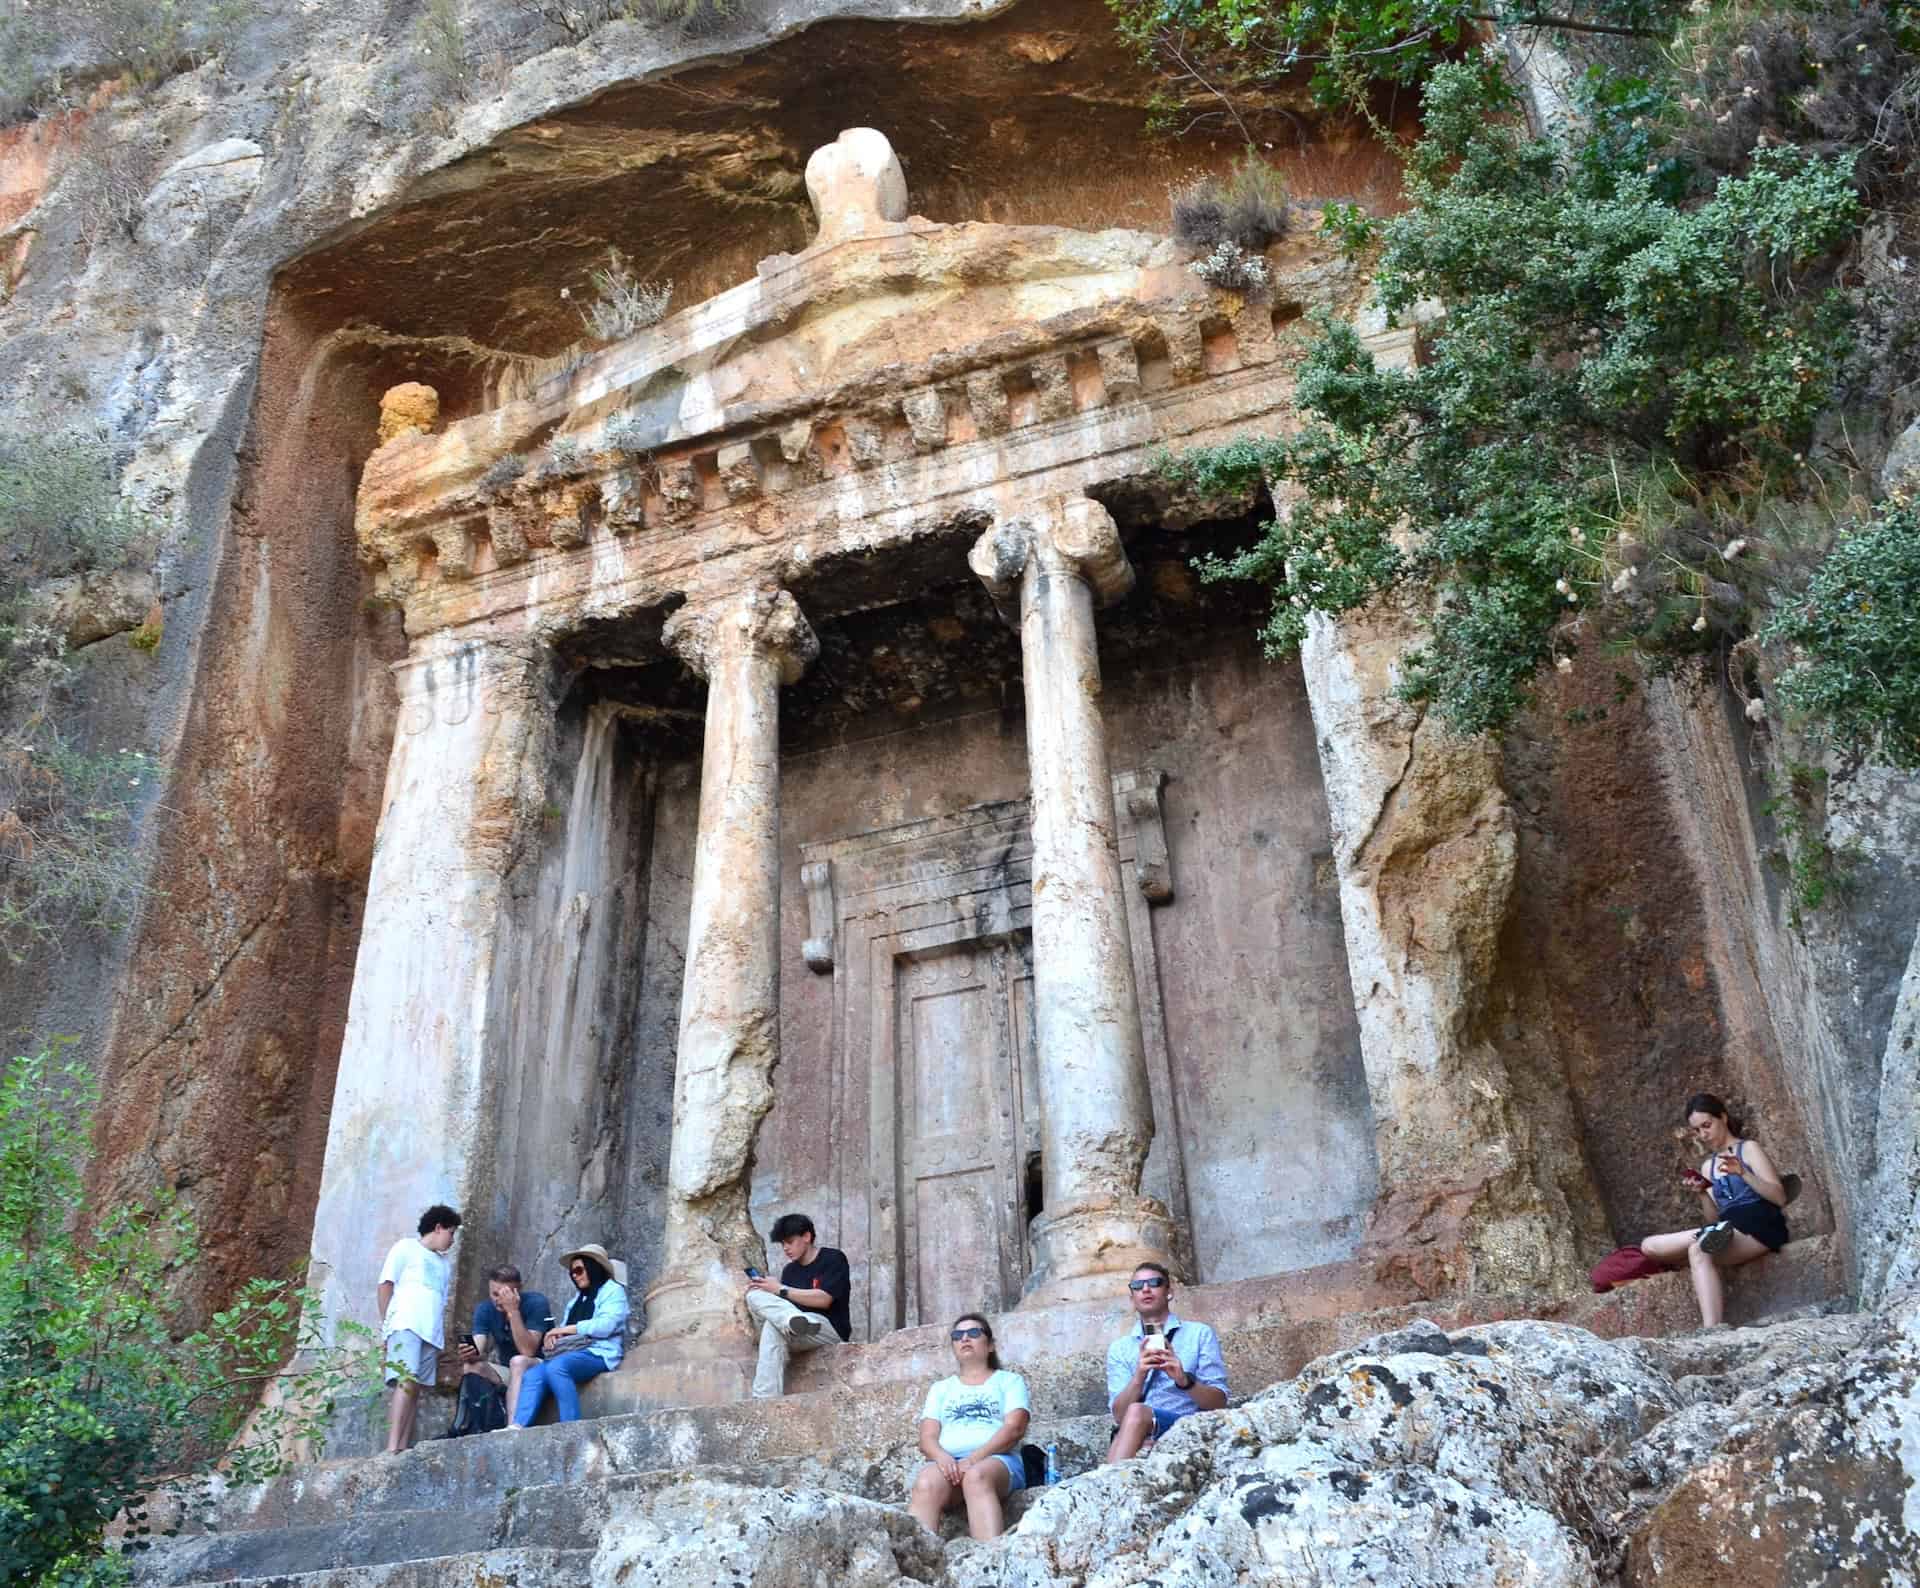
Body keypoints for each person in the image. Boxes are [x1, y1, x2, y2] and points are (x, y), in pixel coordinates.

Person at [1640, 1092, 1791, 1327]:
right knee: (1648, 1246)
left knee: (1698, 1250)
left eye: (1706, 1126)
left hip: (1760, 1225)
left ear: (1723, 1117)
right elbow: (1714, 1217)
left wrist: (1743, 1173)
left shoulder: (1748, 1149)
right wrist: (1702, 1193)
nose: (1703, 1135)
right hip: (1726, 1228)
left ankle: (1712, 1329)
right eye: (1697, 1130)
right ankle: (1703, 1240)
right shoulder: (1709, 1166)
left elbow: (1779, 1197)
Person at [907, 1313, 1031, 1540]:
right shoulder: (941, 1389)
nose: (965, 1338)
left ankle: (989, 1560)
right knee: (925, 1483)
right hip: (949, 1464)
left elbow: (1014, 1428)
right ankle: (918, 1563)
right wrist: (943, 1458)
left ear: (990, 1345)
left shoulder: (1009, 1381)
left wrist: (973, 1459)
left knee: (976, 1476)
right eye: (958, 1335)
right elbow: (927, 1437)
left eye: (974, 1333)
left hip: (997, 1460)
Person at [1104, 1261, 1227, 1463]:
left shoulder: (1199, 1334)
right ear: (1132, 1298)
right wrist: (1139, 1376)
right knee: (1131, 1418)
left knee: (1136, 1412)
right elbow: (1118, 1415)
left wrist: (1183, 1379)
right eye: (1137, 1286)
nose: (1145, 1289)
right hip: (1138, 1430)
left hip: (1187, 1425)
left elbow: (1219, 1403)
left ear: (1169, 1291)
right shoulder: (1120, 1349)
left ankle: (1107, 1486)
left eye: (1154, 1283)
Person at [507, 1244, 629, 1427]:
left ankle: (570, 1426)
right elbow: (566, 1330)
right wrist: (553, 1338)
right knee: (533, 1375)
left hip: (600, 1353)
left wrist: (564, 1330)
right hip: (572, 1353)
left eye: (579, 1270)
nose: (575, 1275)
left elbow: (606, 1326)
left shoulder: (613, 1291)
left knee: (557, 1367)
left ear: (593, 1267)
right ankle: (517, 1426)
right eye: (572, 1272)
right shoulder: (576, 1301)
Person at [376, 1203, 462, 1455]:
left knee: (415, 1387)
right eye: (451, 1232)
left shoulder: (444, 1264)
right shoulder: (405, 1248)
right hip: (405, 1324)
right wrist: (387, 1324)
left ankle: (402, 1445)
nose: (452, 1239)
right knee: (405, 1380)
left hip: (429, 1332)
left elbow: (441, 1300)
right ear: (438, 1228)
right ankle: (392, 1446)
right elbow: (385, 1285)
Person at [744, 1212, 851, 1399]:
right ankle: (765, 1401)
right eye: (782, 1244)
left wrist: (781, 1289)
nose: (785, 1248)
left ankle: (762, 1398)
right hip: (797, 1329)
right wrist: (770, 1290)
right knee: (754, 1296)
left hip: (827, 1328)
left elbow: (824, 1299)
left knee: (775, 1323)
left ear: (807, 1237)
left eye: (790, 1242)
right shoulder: (790, 1271)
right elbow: (784, 1301)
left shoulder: (833, 1258)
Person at [455, 1264, 556, 1431]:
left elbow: (528, 1350)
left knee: (518, 1361)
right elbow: (479, 1346)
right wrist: (469, 1352)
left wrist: (513, 1311)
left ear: (518, 1291)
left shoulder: (536, 1302)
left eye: (504, 1294)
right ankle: (476, 1426)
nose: (497, 1299)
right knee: (472, 1366)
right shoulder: (485, 1308)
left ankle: (512, 1427)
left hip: (540, 1366)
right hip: (509, 1370)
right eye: (494, 1294)